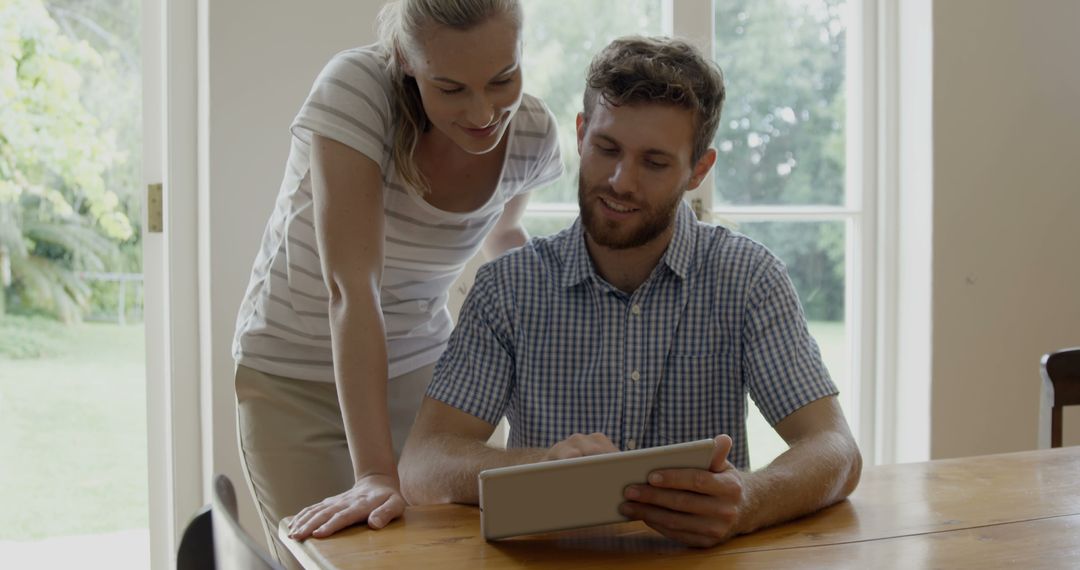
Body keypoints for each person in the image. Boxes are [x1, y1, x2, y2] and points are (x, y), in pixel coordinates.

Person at [399, 35, 862, 548]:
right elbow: (423, 462)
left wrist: (751, 499)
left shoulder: (748, 279)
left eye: (655, 163)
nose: (621, 181)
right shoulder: (508, 288)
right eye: (607, 148)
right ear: (580, 134)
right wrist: (539, 466)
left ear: (698, 171)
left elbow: (835, 447)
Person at [231, 0, 562, 565]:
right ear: (408, 60)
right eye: (451, 88)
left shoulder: (531, 134)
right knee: (335, 560)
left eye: (502, 79)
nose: (483, 111)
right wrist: (376, 475)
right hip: (296, 375)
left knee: (475, 555)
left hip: (424, 375)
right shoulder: (357, 89)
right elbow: (352, 289)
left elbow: (504, 237)